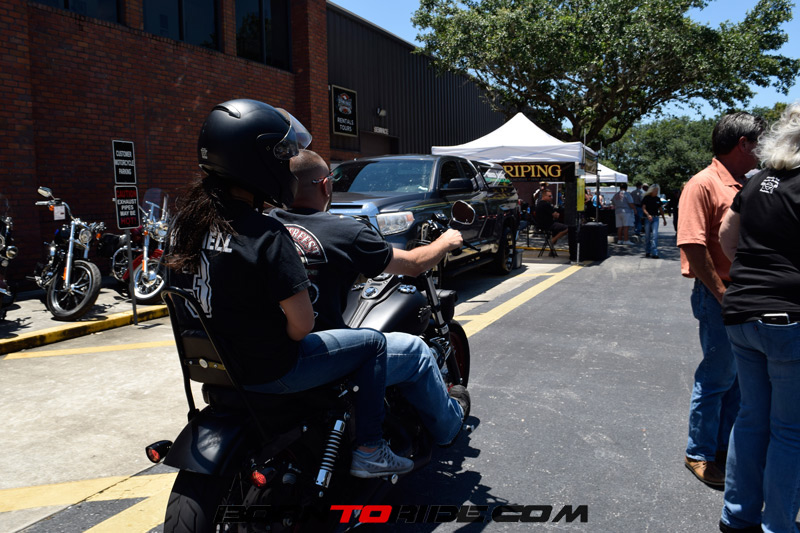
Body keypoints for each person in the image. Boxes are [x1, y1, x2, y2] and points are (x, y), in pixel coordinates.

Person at [166, 99, 413, 479]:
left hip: (211, 364)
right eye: (282, 157)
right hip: (271, 368)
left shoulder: (185, 226)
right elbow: (302, 325)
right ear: (258, 163)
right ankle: (370, 449)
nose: (287, 167)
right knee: (373, 343)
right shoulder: (265, 233)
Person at [270, 149, 468, 447]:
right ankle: (449, 427)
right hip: (313, 353)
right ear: (325, 185)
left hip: (271, 347)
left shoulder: (267, 223)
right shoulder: (344, 230)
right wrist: (445, 242)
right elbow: (414, 264)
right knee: (416, 352)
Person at [716, 103, 800, 533]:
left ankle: (737, 516)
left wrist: (752, 276)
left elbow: (726, 236)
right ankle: (779, 525)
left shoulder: (756, 181)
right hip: (788, 318)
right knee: (789, 430)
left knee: (750, 418)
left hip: (743, 311)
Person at [677, 111, 766, 487]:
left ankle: (722, 447)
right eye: (760, 142)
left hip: (742, 294)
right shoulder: (703, 183)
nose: (765, 149)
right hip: (719, 294)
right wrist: (723, 295)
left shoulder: (749, 183)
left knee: (738, 380)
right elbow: (692, 246)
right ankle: (698, 452)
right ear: (743, 144)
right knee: (717, 377)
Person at [641, 183, 667, 258]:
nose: (656, 192)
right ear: (652, 191)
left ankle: (654, 252)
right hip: (648, 219)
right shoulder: (646, 198)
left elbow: (661, 209)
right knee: (647, 236)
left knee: (655, 235)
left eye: (657, 191)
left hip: (655, 218)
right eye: (655, 191)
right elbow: (643, 208)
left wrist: (664, 219)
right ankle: (647, 251)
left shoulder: (657, 199)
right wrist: (648, 215)